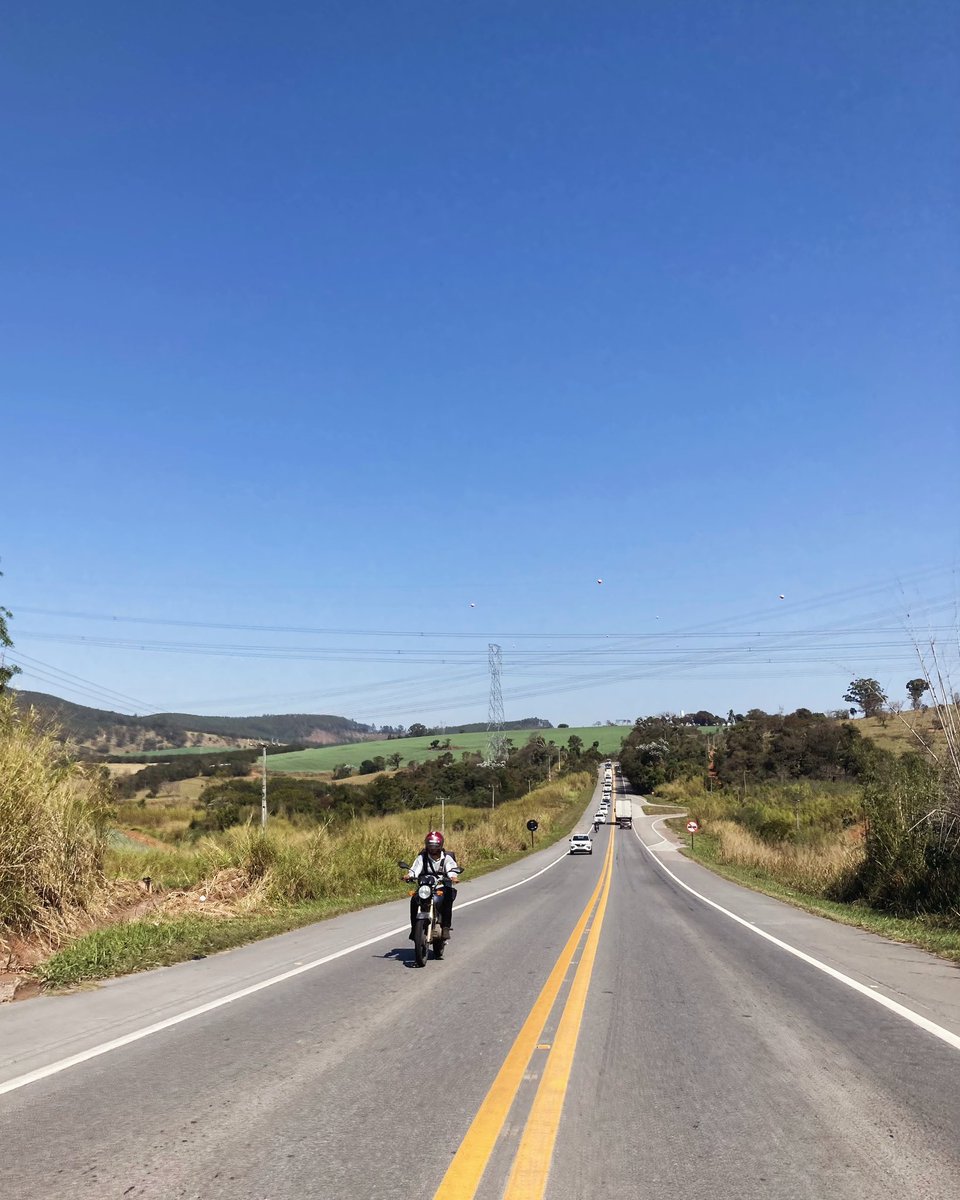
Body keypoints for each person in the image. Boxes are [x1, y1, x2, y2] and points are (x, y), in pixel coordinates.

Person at [403, 830, 461, 940]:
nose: (432, 848)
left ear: (440, 845)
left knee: (447, 899)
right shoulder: (422, 857)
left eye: (435, 846)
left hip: (441, 886)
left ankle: (445, 927)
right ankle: (414, 929)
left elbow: (450, 868)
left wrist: (453, 876)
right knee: (414, 900)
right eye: (430, 846)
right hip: (425, 886)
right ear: (426, 845)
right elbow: (416, 869)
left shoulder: (446, 858)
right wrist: (410, 875)